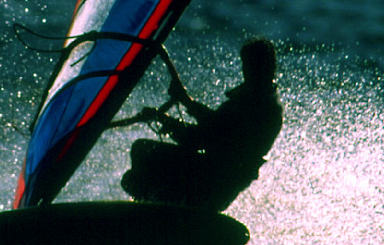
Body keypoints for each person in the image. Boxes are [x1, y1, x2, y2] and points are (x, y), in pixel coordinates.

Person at [119, 38, 283, 210]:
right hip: (213, 181)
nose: (246, 72)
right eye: (246, 66)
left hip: (210, 186)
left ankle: (153, 214)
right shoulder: (264, 100)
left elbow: (206, 136)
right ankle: (155, 208)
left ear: (266, 68)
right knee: (134, 176)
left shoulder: (259, 107)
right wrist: (167, 117)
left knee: (142, 151)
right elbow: (212, 131)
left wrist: (175, 110)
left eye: (251, 66)